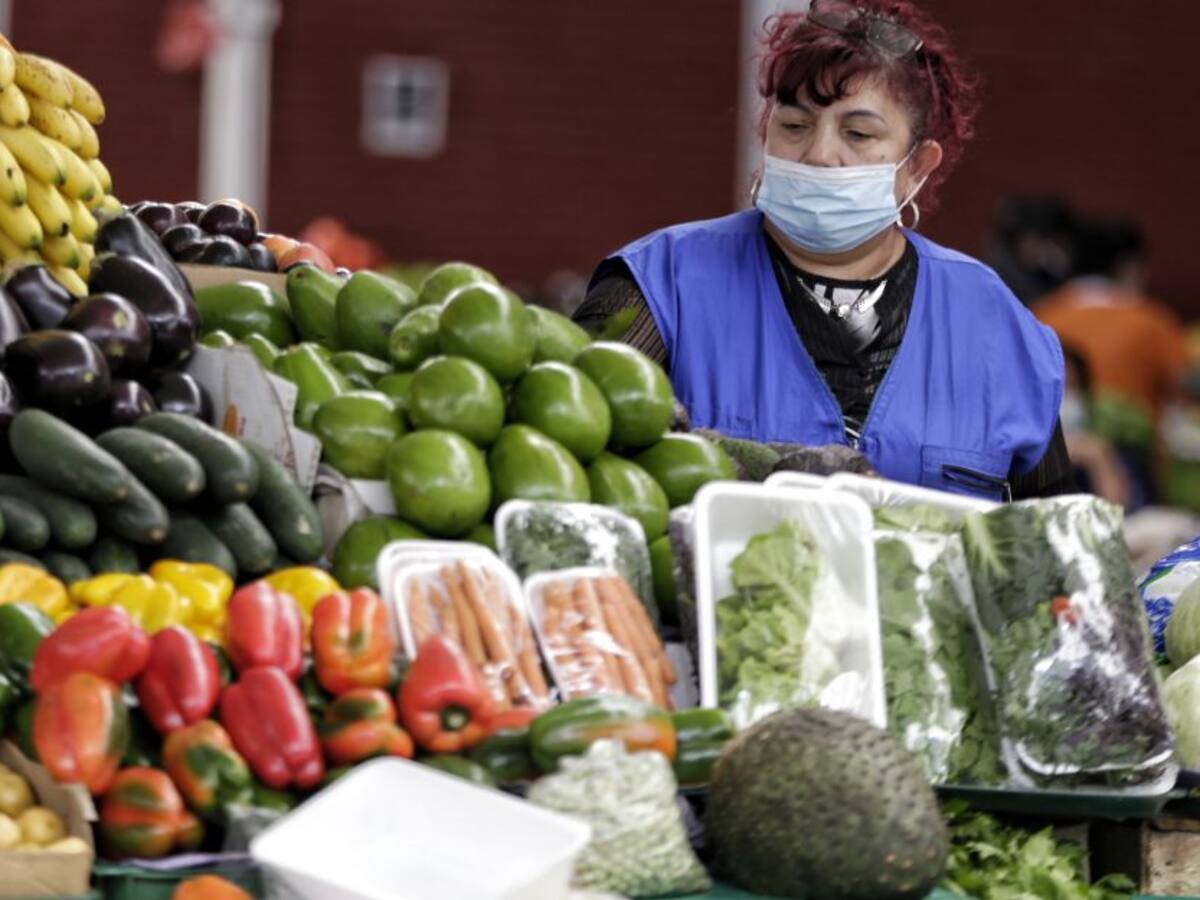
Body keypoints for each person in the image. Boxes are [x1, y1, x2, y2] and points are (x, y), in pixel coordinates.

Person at [573, 0, 1071, 501]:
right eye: (794, 125)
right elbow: (570, 449)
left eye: (857, 133)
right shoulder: (661, 286)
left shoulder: (996, 325)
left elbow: (1055, 537)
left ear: (918, 166)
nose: (818, 153)